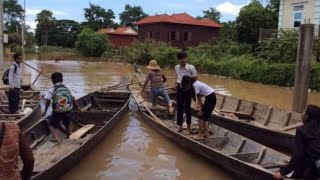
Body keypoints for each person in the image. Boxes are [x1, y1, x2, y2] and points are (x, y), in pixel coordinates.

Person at [273, 104, 320, 180]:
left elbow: (298, 155)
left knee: (283, 171)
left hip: (311, 171)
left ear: (307, 116)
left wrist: (283, 173)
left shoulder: (301, 131)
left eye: (304, 112)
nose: (302, 114)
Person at [42, 72, 81, 142]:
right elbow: (73, 98)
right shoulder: (67, 87)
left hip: (57, 111)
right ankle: (68, 134)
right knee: (67, 123)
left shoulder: (51, 89)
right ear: (62, 80)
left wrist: (45, 111)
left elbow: (48, 101)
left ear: (52, 81)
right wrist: (78, 107)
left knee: (51, 124)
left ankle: (56, 136)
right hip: (68, 109)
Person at [173, 51, 197, 133]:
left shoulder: (191, 68)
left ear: (186, 58)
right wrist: (175, 85)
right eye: (181, 59)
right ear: (178, 59)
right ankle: (180, 126)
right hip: (180, 88)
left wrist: (193, 90)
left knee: (187, 108)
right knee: (179, 107)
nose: (183, 60)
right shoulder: (176, 67)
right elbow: (177, 78)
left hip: (188, 89)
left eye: (184, 58)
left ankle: (188, 127)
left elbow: (195, 79)